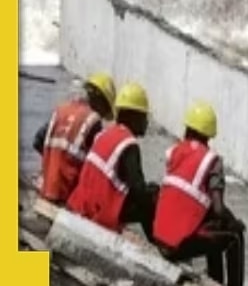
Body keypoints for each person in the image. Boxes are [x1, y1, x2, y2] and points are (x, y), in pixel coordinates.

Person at [153, 102, 246, 286]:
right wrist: (234, 223)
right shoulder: (212, 161)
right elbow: (219, 209)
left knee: (212, 227)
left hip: (160, 239)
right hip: (178, 245)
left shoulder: (175, 152)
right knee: (233, 236)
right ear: (209, 136)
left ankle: (216, 281)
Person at [66, 81, 159, 239]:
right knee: (151, 198)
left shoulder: (104, 134)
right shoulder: (129, 144)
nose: (146, 122)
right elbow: (139, 190)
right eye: (144, 116)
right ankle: (159, 247)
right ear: (133, 117)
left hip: (81, 205)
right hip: (100, 212)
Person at [34, 72, 116, 204]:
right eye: (105, 109)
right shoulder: (93, 121)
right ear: (100, 100)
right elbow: (95, 167)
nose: (102, 115)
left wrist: (53, 165)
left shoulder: (61, 110)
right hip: (68, 194)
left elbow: (37, 141)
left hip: (46, 187)